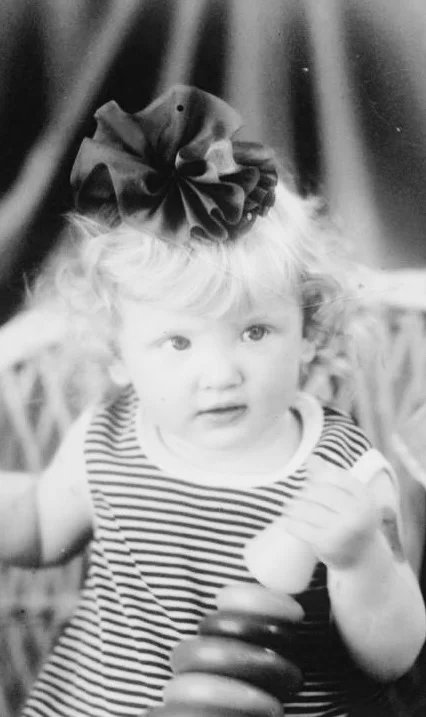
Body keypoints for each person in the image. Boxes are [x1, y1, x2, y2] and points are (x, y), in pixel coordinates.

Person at [1, 85, 425, 717]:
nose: (220, 374)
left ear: (308, 331)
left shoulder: (345, 472)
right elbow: (37, 526)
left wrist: (361, 559)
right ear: (117, 351)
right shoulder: (105, 439)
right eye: (177, 342)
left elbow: (392, 657)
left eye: (255, 332)